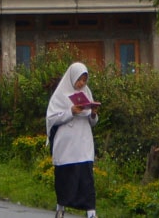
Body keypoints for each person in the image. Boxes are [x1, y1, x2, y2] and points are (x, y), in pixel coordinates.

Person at [46, 61, 99, 218]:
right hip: (67, 146)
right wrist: (71, 111)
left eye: (84, 80)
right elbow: (52, 119)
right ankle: (61, 207)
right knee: (65, 179)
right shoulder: (60, 95)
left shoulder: (86, 92)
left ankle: (91, 212)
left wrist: (94, 114)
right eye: (79, 79)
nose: (81, 83)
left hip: (83, 145)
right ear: (72, 77)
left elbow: (92, 122)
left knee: (86, 179)